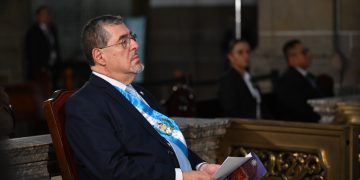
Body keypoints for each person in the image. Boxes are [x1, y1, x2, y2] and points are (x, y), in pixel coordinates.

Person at [65, 15, 220, 180]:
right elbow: (112, 170)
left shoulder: (141, 93)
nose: (135, 45)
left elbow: (168, 143)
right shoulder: (85, 105)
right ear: (99, 56)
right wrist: (180, 177)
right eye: (123, 41)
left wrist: (201, 166)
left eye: (132, 37)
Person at [218, 39, 270, 119]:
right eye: (240, 52)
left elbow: (261, 106)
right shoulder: (227, 80)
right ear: (231, 56)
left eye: (248, 52)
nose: (246, 56)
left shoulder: (249, 77)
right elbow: (232, 111)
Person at [275, 39, 321, 122]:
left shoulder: (310, 76)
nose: (308, 55)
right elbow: (297, 110)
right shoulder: (287, 81)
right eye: (304, 52)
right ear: (291, 58)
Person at [25, 5, 61, 87]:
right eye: (44, 14)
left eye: (48, 14)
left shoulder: (52, 29)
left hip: (53, 67)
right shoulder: (32, 32)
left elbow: (55, 47)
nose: (47, 16)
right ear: (38, 16)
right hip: (40, 69)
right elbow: (32, 52)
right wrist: (41, 67)